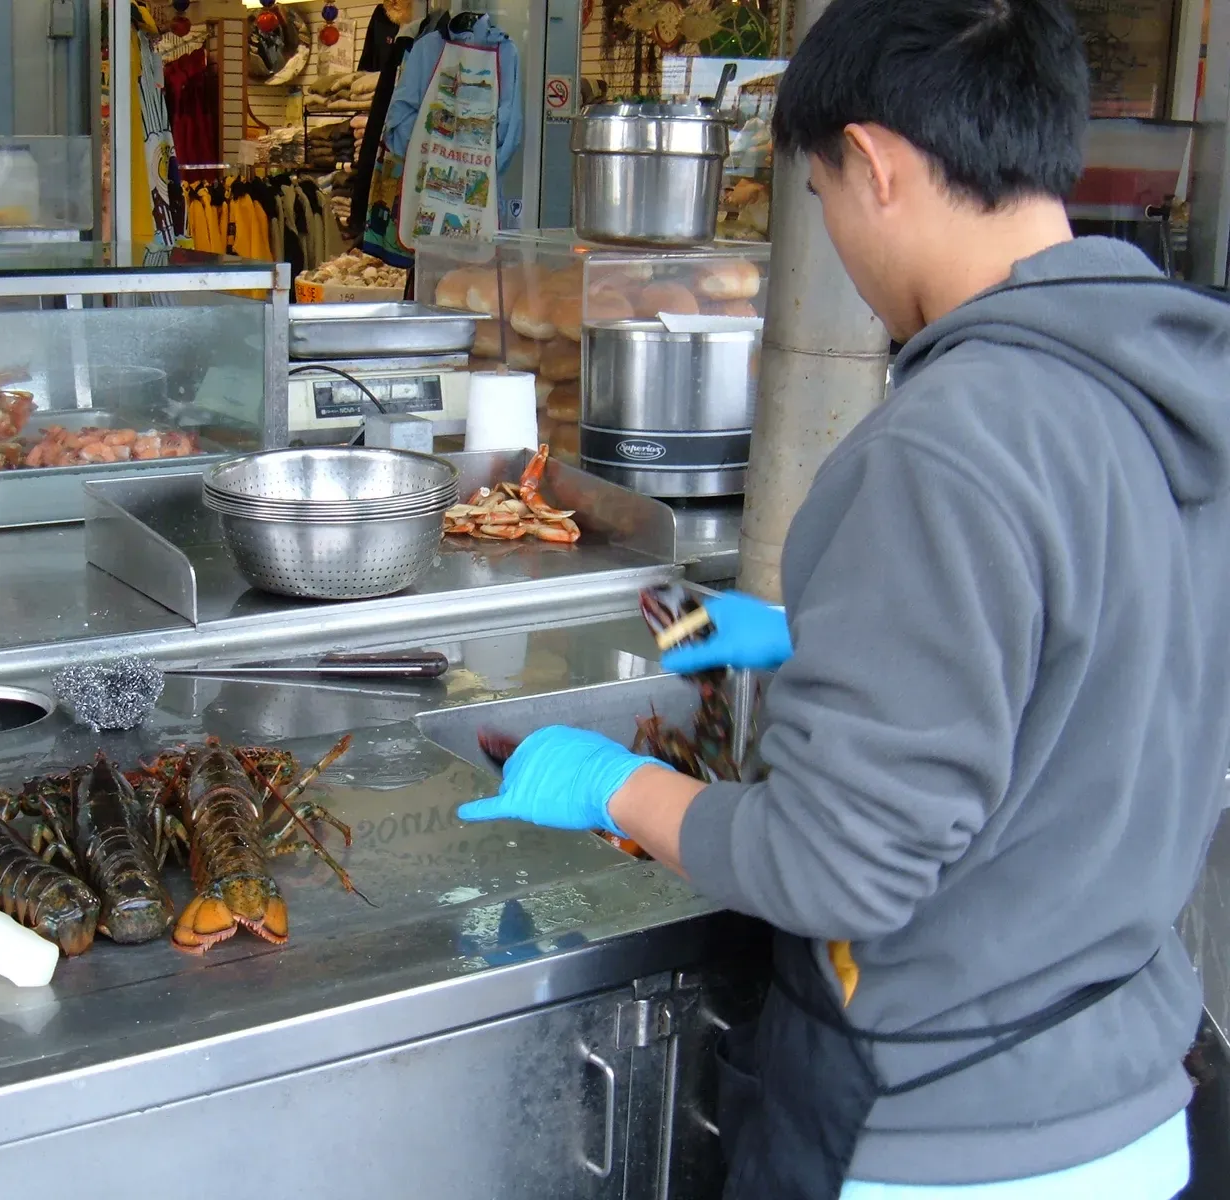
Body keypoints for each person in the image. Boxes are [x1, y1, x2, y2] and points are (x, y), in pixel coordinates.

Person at [458, 1, 1230, 1197]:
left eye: (816, 194)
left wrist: (616, 784)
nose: (833, 239)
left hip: (943, 1136)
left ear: (870, 163)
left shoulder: (948, 444)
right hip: (1126, 1109)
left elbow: (835, 868)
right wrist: (823, 637)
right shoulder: (1172, 391)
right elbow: (1094, 669)